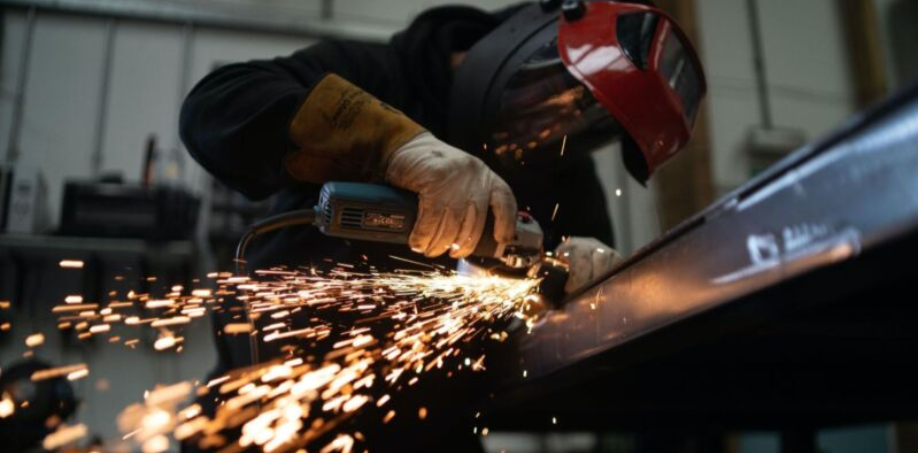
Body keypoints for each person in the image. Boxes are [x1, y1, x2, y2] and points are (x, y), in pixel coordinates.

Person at [180, 1, 705, 450]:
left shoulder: (561, 168)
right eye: (556, 98)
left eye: (590, 125)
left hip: (430, 432)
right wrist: (394, 144)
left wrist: (586, 285)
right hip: (269, 415)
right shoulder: (380, 74)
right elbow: (215, 105)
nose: (554, 128)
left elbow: (579, 335)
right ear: (526, 41)